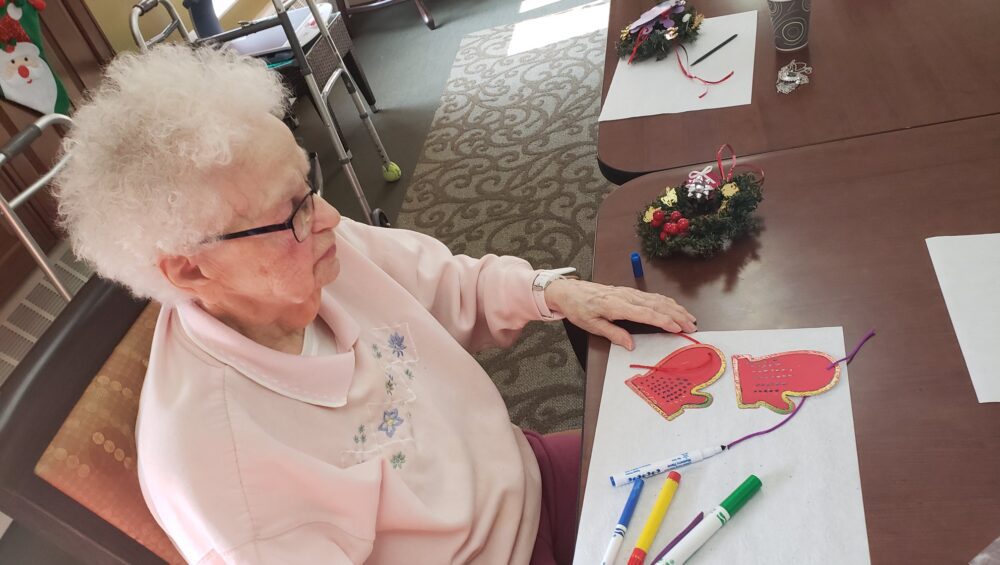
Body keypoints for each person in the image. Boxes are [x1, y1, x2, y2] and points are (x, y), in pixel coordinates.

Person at [54, 44, 696, 564]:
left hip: (526, 476)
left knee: (728, 450)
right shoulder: (221, 478)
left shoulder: (313, 251)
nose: (332, 216)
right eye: (294, 211)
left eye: (308, 185)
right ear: (191, 267)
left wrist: (551, 290)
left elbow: (451, 286)